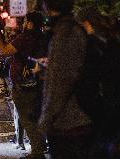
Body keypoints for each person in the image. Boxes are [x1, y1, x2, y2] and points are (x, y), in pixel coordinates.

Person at [38, 0, 94, 158]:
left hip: (68, 122)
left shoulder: (65, 33)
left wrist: (46, 119)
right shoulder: (71, 29)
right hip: (75, 119)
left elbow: (61, 81)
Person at [0, 12, 48, 159]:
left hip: (24, 85)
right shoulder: (43, 38)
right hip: (38, 82)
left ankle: (37, 152)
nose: (23, 24)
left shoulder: (25, 38)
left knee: (27, 118)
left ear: (30, 24)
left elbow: (4, 51)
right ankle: (40, 146)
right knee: (35, 116)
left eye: (25, 22)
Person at [77, 7, 120, 159]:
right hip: (113, 103)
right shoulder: (111, 42)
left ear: (86, 23)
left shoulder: (90, 44)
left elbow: (88, 77)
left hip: (101, 104)